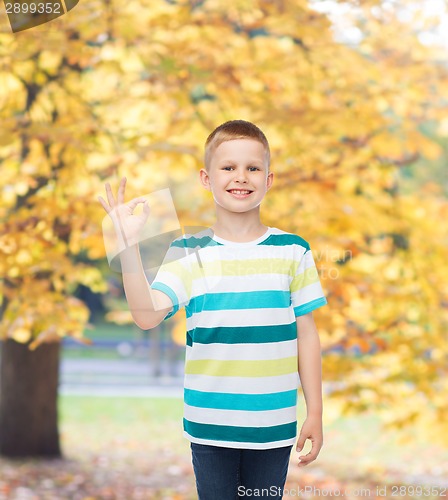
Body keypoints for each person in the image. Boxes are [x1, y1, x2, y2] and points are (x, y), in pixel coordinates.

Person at [98, 119, 328, 499]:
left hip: (273, 425)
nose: (242, 177)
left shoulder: (293, 250)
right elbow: (145, 314)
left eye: (253, 168)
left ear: (269, 179)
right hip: (209, 424)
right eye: (229, 167)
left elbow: (307, 333)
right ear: (206, 178)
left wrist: (315, 413)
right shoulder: (188, 252)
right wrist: (128, 246)